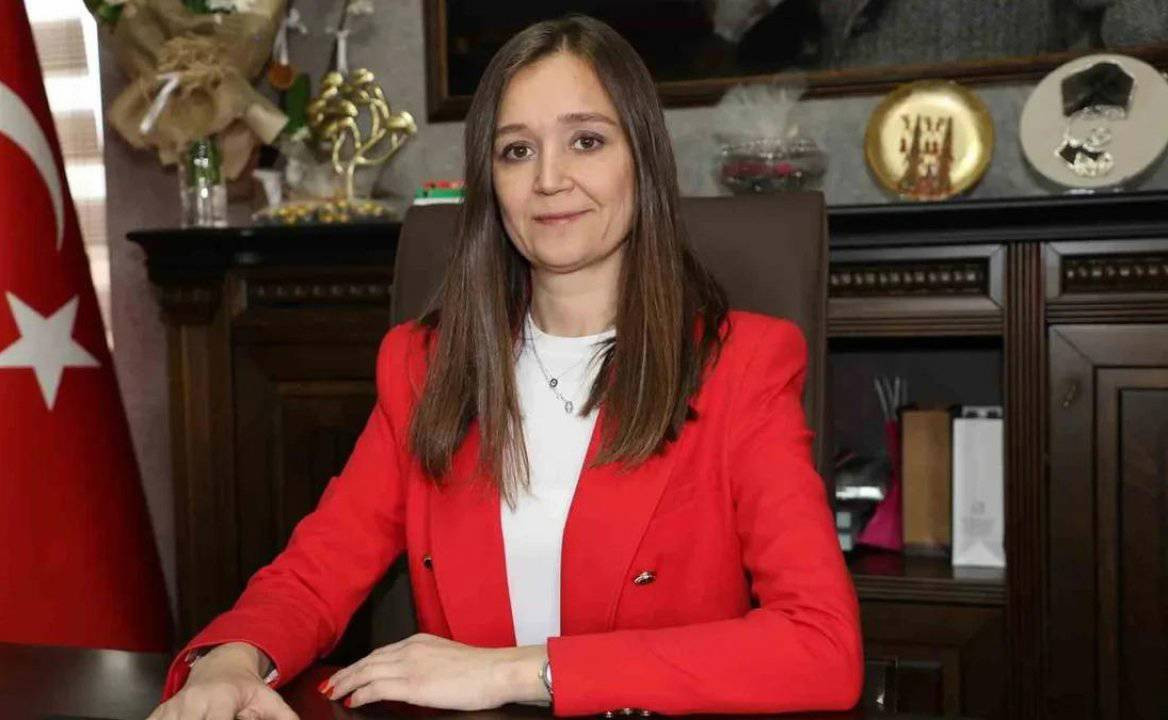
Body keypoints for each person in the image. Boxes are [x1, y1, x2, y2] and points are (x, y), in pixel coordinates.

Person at [147, 14, 862, 720]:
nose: (549, 179)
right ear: (490, 183)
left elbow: (822, 646)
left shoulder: (743, 365)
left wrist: (518, 672)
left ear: (643, 160)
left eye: (586, 141)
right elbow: (315, 573)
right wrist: (232, 659)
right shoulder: (424, 366)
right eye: (516, 151)